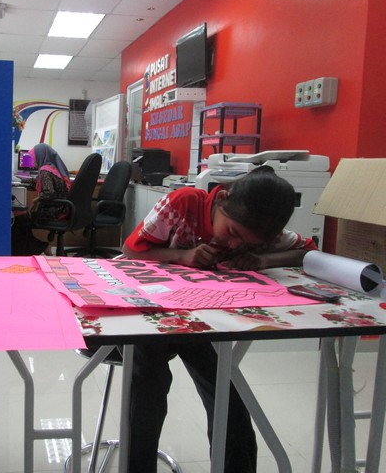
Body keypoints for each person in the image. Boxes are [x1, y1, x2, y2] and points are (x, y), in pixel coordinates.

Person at [121, 166, 318, 472]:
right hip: (149, 313)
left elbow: (307, 251)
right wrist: (182, 256)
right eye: (233, 233)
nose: (235, 245)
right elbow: (132, 249)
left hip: (199, 319)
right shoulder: (184, 203)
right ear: (223, 198)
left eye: (248, 244)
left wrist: (263, 258)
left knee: (225, 392)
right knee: (148, 384)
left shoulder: (258, 226)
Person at [11, 143, 71, 255]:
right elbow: (37, 183)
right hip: (62, 208)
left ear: (40, 156)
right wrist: (20, 180)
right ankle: (40, 247)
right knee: (22, 221)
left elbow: (48, 193)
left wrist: (36, 201)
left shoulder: (44, 170)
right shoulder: (53, 168)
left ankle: (41, 247)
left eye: (33, 158)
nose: (33, 162)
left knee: (17, 220)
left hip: (52, 211)